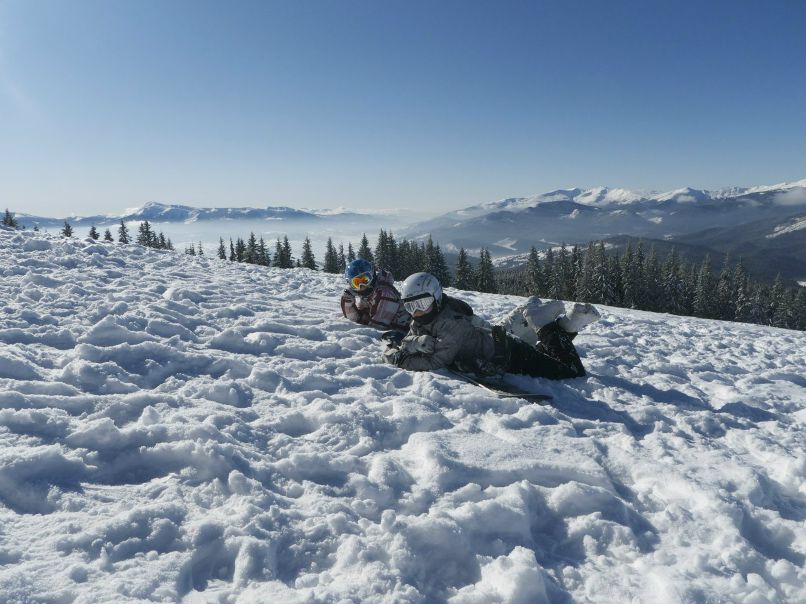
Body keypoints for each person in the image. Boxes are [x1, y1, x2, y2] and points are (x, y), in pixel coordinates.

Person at [381, 272, 600, 379]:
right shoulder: (424, 317)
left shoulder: (450, 323)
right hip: (499, 345)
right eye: (410, 307)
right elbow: (410, 338)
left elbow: (436, 361)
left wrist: (401, 359)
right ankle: (567, 325)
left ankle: (542, 324)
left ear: (436, 297)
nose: (416, 311)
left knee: (572, 371)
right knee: (549, 356)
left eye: (422, 303)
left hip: (509, 354)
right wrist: (413, 342)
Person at [341, 259, 411, 332]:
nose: (362, 286)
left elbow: (376, 329)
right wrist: (347, 300)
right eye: (357, 283)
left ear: (372, 275)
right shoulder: (368, 294)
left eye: (365, 280)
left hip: (403, 332)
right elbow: (355, 319)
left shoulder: (385, 293)